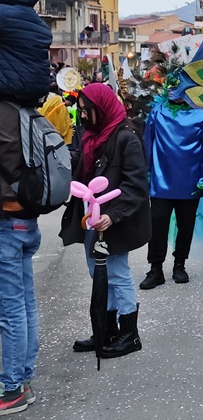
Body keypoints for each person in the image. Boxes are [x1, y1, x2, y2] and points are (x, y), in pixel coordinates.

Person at [60, 83, 151, 358]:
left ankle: (129, 334)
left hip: (114, 221)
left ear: (103, 108)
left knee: (118, 275)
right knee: (98, 274)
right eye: (82, 111)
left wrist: (113, 215)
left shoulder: (126, 137)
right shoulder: (91, 136)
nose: (84, 116)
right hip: (91, 219)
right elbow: (81, 166)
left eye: (88, 111)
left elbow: (136, 185)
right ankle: (106, 330)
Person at [0, 0, 52, 414]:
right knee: (23, 302)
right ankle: (23, 374)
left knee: (9, 308)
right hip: (25, 217)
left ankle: (12, 386)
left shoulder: (2, 111)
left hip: (6, 216)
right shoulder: (22, 109)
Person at [139, 97, 203, 289]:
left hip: (190, 183)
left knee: (186, 225)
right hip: (161, 181)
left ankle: (179, 264)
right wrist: (145, 174)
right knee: (157, 225)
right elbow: (147, 144)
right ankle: (156, 268)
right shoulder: (158, 112)